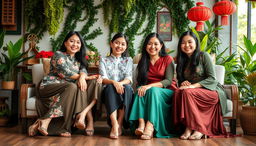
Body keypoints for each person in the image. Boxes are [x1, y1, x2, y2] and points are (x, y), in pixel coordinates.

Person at [28, 31, 102, 137]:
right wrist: (84, 77)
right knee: (72, 86)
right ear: (65, 43)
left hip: (67, 89)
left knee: (81, 86)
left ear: (81, 45)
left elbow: (83, 70)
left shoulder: (79, 60)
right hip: (49, 86)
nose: (75, 44)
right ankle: (46, 120)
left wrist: (82, 76)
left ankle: (57, 125)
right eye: (72, 41)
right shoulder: (58, 55)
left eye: (78, 42)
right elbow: (66, 73)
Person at [173, 31, 227, 140]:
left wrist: (192, 86)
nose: (187, 45)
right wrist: (184, 82)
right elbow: (181, 81)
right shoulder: (181, 60)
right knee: (178, 92)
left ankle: (197, 128)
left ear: (196, 43)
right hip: (193, 92)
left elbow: (212, 79)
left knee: (187, 92)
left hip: (212, 91)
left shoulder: (204, 56)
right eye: (183, 43)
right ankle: (188, 126)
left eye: (189, 42)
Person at [129, 33, 176, 140]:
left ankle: (150, 126)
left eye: (156, 44)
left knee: (152, 90)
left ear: (161, 46)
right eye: (149, 44)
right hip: (149, 91)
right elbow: (141, 82)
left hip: (166, 91)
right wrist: (144, 87)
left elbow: (168, 81)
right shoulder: (143, 61)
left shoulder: (168, 59)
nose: (152, 47)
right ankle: (141, 124)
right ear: (145, 46)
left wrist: (149, 86)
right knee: (140, 90)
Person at [99, 33, 134, 139]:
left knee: (127, 88)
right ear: (111, 44)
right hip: (108, 91)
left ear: (126, 46)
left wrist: (120, 84)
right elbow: (103, 78)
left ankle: (119, 123)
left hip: (124, 89)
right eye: (117, 43)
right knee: (110, 88)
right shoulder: (103, 60)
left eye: (123, 44)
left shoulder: (128, 60)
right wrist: (114, 83)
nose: (119, 46)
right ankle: (114, 124)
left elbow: (129, 78)